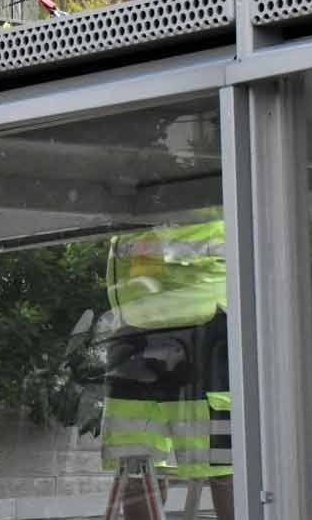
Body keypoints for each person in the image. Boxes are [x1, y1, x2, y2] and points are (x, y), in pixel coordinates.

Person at [100, 208, 233, 520]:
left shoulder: (197, 174)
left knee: (221, 461)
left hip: (198, 324)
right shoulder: (132, 182)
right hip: (134, 327)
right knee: (134, 458)